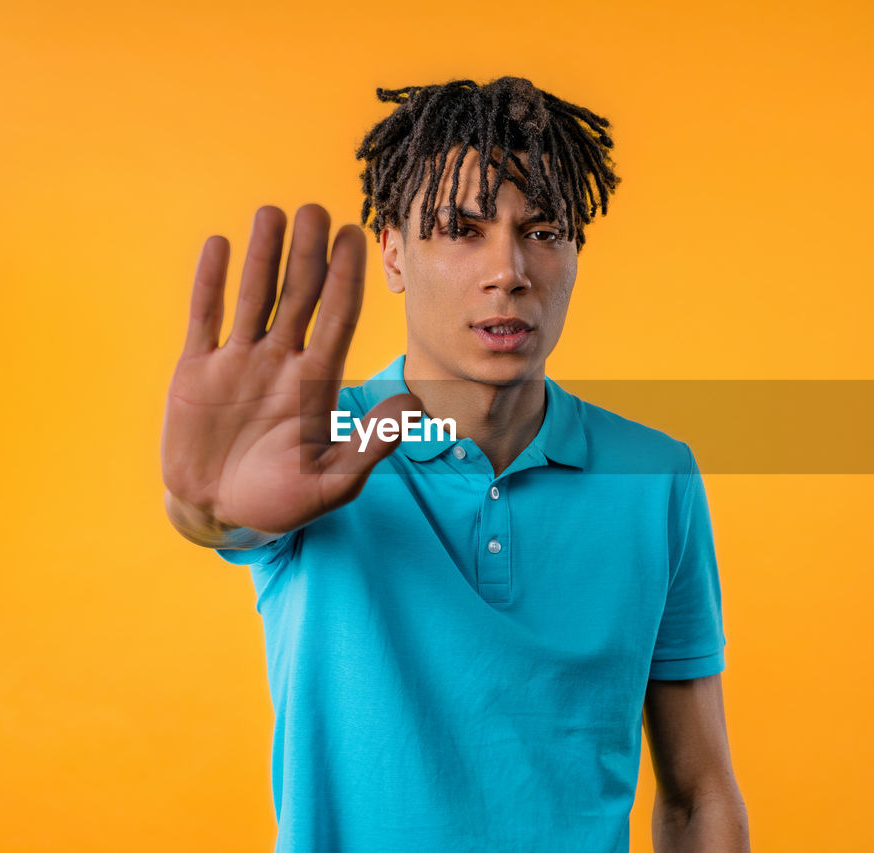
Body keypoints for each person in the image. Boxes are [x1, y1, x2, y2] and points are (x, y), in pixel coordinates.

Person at [161, 76, 749, 852]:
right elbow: (220, 516)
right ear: (394, 254)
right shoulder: (310, 437)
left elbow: (698, 794)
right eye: (460, 229)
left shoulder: (655, 476)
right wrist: (202, 503)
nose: (508, 269)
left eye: (542, 230)